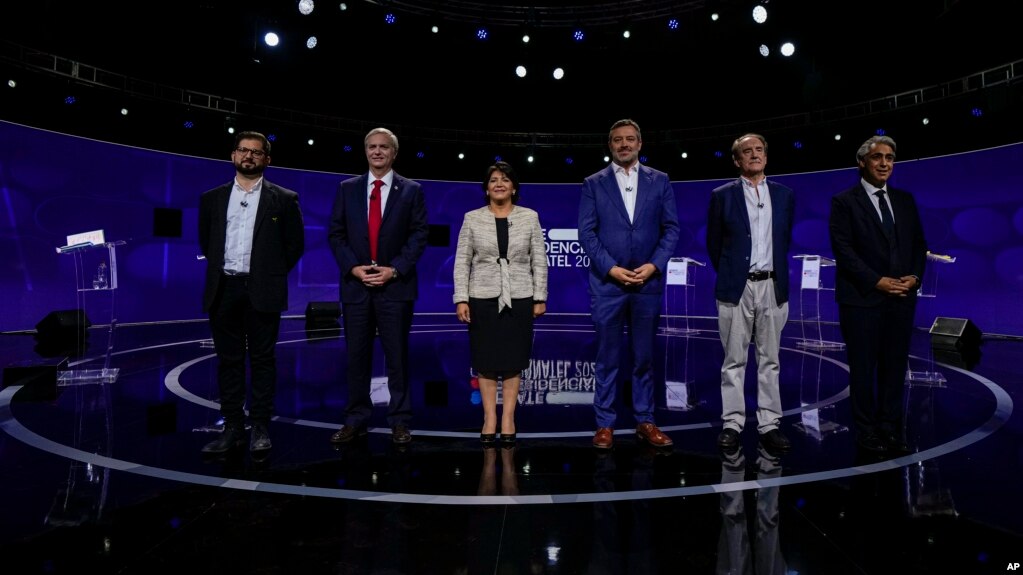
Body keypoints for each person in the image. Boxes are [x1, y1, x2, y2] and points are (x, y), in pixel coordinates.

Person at [197, 131, 305, 455]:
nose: (249, 156)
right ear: (233, 155)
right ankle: (232, 427)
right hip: (224, 288)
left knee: (262, 361)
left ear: (266, 160)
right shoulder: (212, 198)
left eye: (256, 152)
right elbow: (207, 241)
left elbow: (294, 245)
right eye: (243, 150)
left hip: (262, 289)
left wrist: (269, 273)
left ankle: (259, 426)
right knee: (228, 361)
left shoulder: (284, 199)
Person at [578, 119, 680, 450]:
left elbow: (671, 229)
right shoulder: (593, 183)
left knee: (643, 357)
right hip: (609, 285)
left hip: (647, 284)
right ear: (610, 145)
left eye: (630, 139)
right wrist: (612, 269)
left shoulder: (660, 181)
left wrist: (653, 265)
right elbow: (587, 233)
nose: (624, 144)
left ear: (640, 143)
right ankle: (605, 424)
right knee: (607, 357)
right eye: (618, 140)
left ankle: (645, 421)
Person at [327, 127, 429, 445]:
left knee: (396, 357)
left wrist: (394, 270)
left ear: (394, 152)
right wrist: (353, 268)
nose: (377, 152)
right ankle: (356, 418)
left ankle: (399, 421)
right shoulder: (347, 189)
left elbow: (419, 235)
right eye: (372, 147)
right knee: (356, 357)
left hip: (395, 288)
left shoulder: (411, 190)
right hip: (357, 287)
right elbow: (336, 233)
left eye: (384, 147)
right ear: (365, 151)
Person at [829, 135, 927, 453]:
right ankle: (867, 430)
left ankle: (890, 427)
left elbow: (917, 245)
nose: (884, 163)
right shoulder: (844, 201)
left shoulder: (905, 200)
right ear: (862, 162)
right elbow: (844, 252)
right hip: (861, 299)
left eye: (889, 157)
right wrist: (877, 281)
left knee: (894, 366)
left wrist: (914, 276)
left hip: (901, 298)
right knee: (863, 367)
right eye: (877, 157)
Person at [706, 133, 795, 454]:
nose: (754, 155)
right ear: (737, 160)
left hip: (772, 286)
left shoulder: (784, 196)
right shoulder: (722, 196)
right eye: (747, 151)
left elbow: (783, 240)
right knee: (734, 360)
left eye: (759, 150)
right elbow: (714, 245)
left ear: (766, 157)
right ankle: (732, 422)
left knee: (770, 360)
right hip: (736, 287)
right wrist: (734, 274)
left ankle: (770, 424)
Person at [453, 161, 548, 446]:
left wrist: (540, 296)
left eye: (505, 179)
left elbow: (539, 260)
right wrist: (461, 298)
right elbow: (462, 261)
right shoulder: (472, 218)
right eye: (493, 179)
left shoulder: (530, 217)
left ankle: (508, 417)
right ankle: (488, 418)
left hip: (519, 296)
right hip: (481, 297)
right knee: (485, 361)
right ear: (486, 188)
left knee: (512, 361)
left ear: (514, 187)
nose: (499, 184)